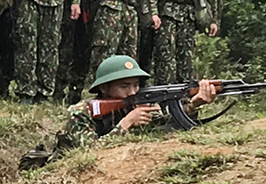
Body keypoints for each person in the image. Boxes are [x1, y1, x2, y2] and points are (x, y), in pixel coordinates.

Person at [43, 56, 219, 162]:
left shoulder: (140, 102)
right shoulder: (82, 112)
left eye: (136, 85)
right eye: (124, 85)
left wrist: (194, 104)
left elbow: (162, 126)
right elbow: (89, 153)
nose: (132, 92)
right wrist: (126, 123)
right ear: (104, 88)